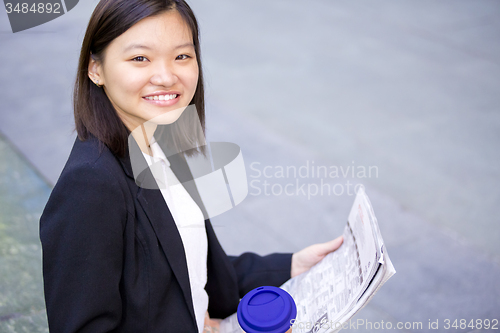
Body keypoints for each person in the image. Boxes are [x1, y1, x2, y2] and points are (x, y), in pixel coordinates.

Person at [39, 0, 343, 332]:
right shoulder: (90, 185)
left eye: (182, 56)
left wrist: (293, 266)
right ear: (95, 68)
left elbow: (191, 266)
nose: (167, 76)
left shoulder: (166, 140)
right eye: (140, 58)